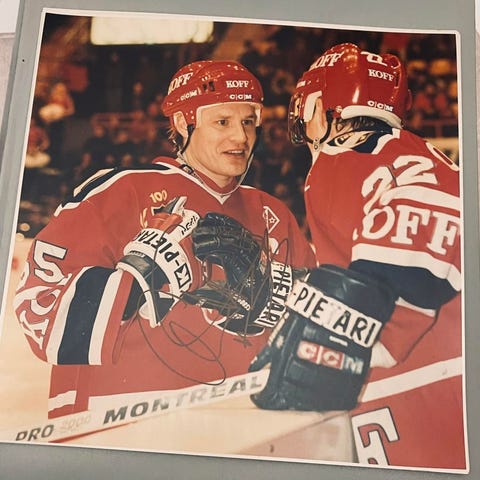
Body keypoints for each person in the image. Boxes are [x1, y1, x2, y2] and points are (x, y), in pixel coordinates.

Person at [196, 43, 464, 470]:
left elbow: (396, 294)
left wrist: (318, 349)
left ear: (318, 108)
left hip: (422, 385)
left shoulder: (340, 159)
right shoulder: (423, 155)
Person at [13, 60, 315, 419]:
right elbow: (38, 308)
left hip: (240, 421)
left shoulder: (273, 213)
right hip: (124, 419)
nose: (241, 137)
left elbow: (313, 333)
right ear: (183, 123)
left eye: (248, 122)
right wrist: (136, 278)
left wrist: (267, 291)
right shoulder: (120, 191)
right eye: (223, 122)